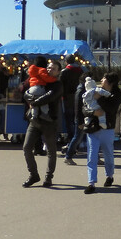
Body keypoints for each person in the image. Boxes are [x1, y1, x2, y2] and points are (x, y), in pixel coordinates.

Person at [22, 59, 63, 188]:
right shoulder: (40, 78)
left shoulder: (57, 84)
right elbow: (26, 92)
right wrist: (29, 97)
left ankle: (48, 177)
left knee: (51, 150)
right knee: (27, 147)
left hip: (49, 121)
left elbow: (50, 96)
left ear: (58, 72)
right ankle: (33, 175)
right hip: (34, 121)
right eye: (49, 67)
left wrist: (33, 102)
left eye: (53, 68)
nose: (50, 70)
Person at [82, 72, 121, 194]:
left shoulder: (115, 95)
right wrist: (92, 113)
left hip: (107, 129)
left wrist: (100, 99)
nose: (101, 80)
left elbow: (112, 109)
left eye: (104, 78)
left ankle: (109, 176)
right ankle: (91, 182)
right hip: (93, 128)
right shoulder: (95, 90)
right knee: (91, 156)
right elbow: (84, 107)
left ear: (110, 82)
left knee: (108, 154)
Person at [24, 57, 58, 122]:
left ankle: (34, 116)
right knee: (43, 102)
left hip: (31, 88)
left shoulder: (32, 72)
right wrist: (54, 79)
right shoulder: (41, 70)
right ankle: (44, 114)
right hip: (39, 87)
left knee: (34, 105)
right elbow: (46, 78)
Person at [59, 56, 83, 143]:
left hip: (67, 98)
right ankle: (78, 137)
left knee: (69, 118)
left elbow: (60, 85)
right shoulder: (81, 70)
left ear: (66, 62)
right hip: (79, 97)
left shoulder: (64, 71)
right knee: (77, 118)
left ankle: (71, 138)